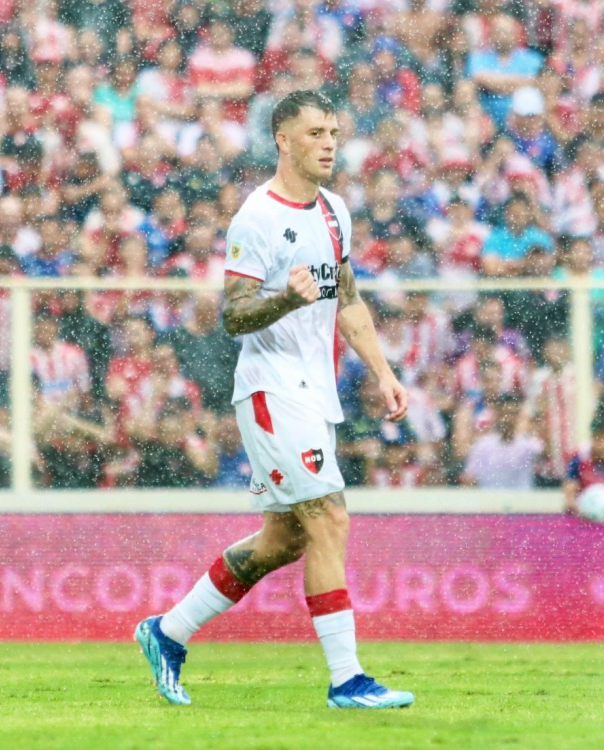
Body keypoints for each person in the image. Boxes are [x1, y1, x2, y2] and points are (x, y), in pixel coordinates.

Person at [135, 90, 414, 710]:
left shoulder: (335, 211)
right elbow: (234, 314)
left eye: (333, 132)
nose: (329, 144)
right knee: (329, 519)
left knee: (284, 541)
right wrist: (285, 298)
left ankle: (168, 631)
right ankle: (347, 680)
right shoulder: (256, 217)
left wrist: (383, 372)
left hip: (316, 393)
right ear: (283, 140)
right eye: (315, 133)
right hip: (272, 389)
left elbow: (347, 299)